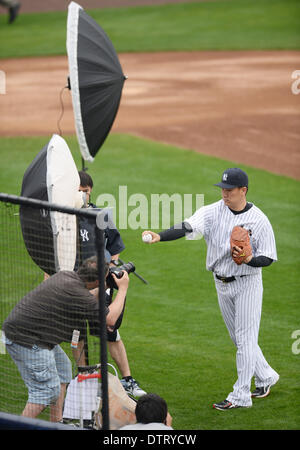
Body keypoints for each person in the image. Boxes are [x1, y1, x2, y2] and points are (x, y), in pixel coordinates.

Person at [142, 168, 279, 410]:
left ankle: (241, 395)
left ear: (243, 191)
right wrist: (160, 236)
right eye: (223, 189)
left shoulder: (259, 220)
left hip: (247, 283)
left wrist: (249, 260)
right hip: (221, 283)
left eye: (229, 190)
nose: (224, 193)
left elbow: (267, 257)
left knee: (246, 340)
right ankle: (266, 377)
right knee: (238, 338)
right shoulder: (213, 212)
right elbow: (187, 226)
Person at [2, 256, 128, 421]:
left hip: (27, 333)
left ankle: (57, 422)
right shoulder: (78, 293)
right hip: (27, 340)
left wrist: (102, 283)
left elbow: (86, 295)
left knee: (63, 369)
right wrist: (123, 288)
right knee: (46, 391)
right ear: (97, 280)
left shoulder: (66, 276)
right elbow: (110, 319)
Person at [75, 170, 146, 399]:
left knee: (109, 330)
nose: (82, 196)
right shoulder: (64, 216)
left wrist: (112, 272)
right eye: (78, 192)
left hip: (101, 281)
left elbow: (114, 248)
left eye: (85, 192)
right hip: (75, 283)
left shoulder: (100, 214)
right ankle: (83, 377)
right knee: (78, 332)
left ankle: (127, 380)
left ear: (91, 191)